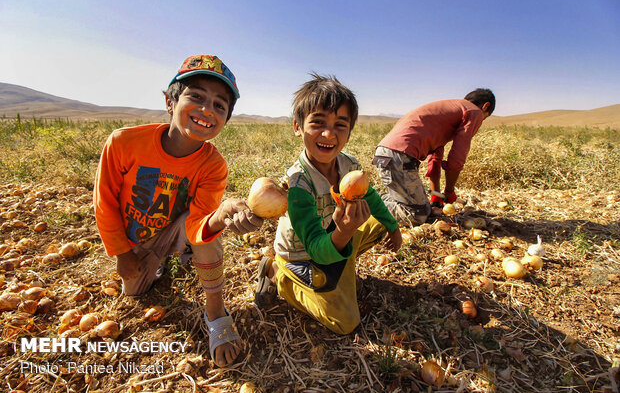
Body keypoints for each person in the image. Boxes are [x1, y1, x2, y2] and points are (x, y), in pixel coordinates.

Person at [93, 54, 263, 367]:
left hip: (177, 230)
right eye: (196, 97)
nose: (207, 110)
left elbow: (200, 222)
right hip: (135, 237)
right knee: (135, 292)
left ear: (225, 120)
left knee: (207, 233)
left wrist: (223, 212)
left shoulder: (213, 165)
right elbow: (104, 203)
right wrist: (121, 254)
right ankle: (156, 261)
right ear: (170, 101)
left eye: (219, 105)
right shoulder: (123, 142)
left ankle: (215, 309)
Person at [254, 74, 402, 334]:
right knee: (344, 323)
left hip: (333, 237)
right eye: (318, 122)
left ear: (349, 131)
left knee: (379, 220)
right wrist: (344, 232)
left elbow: (372, 197)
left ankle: (340, 265)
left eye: (340, 125)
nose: (328, 133)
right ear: (298, 127)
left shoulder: (349, 166)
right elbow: (314, 248)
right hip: (304, 255)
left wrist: (392, 226)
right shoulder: (299, 186)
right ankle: (278, 274)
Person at [372, 89, 496, 225]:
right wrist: (449, 191)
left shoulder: (451, 110)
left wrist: (436, 196)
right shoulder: (474, 112)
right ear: (486, 106)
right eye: (485, 117)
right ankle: (364, 204)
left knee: (425, 207)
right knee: (416, 215)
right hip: (399, 156)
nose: (481, 121)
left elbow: (435, 158)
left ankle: (368, 198)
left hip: (387, 154)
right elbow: (457, 158)